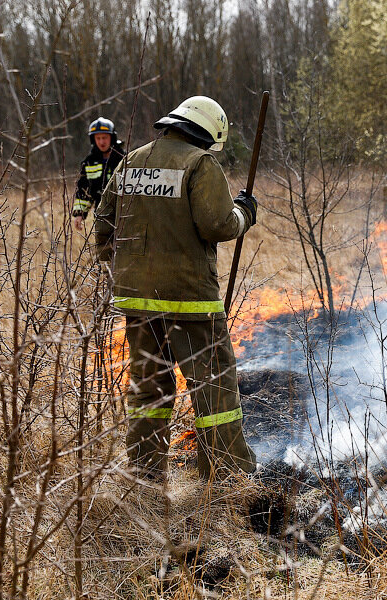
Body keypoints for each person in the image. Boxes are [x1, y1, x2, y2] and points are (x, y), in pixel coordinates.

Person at [93, 96, 258, 480]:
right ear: (205, 133)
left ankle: (145, 473)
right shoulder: (199, 164)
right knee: (213, 386)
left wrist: (127, 268)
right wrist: (244, 213)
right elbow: (218, 225)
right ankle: (227, 474)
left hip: (135, 299)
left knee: (150, 387)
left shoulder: (131, 161)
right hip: (190, 302)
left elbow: (103, 226)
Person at [73, 117, 126, 231]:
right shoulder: (89, 162)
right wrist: (79, 214)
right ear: (93, 139)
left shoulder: (124, 159)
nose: (102, 142)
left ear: (112, 138)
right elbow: (84, 190)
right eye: (98, 138)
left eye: (105, 137)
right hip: (101, 213)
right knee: (103, 247)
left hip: (123, 213)